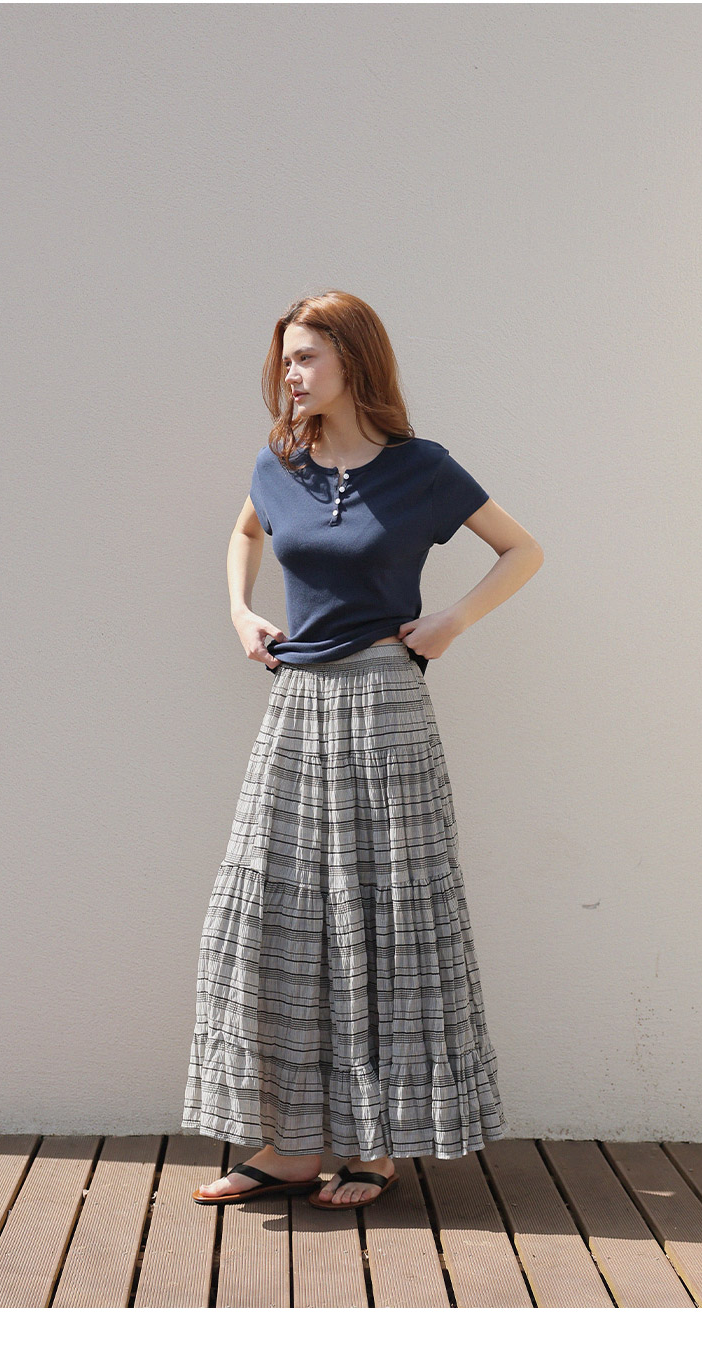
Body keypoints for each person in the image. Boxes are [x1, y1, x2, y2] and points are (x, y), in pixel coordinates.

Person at [181, 290, 544, 1209]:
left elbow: (521, 550)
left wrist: (450, 622)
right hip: (297, 706)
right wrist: (240, 611)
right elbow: (243, 533)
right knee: (278, 915)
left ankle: (375, 1147)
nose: (290, 375)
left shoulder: (422, 468)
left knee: (383, 920)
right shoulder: (280, 463)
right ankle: (292, 1145)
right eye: (286, 360)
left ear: (353, 359)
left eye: (306, 356)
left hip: (386, 703)